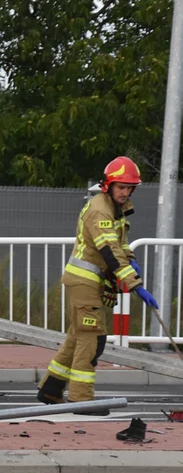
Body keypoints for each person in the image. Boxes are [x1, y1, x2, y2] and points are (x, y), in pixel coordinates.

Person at [36, 156, 157, 413]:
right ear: (108, 185)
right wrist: (136, 285)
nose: (125, 192)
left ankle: (51, 390)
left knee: (77, 338)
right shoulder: (100, 209)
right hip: (85, 281)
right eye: (121, 187)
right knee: (92, 340)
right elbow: (109, 251)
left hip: (87, 282)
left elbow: (121, 244)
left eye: (129, 187)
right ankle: (81, 399)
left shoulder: (114, 208)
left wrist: (132, 260)